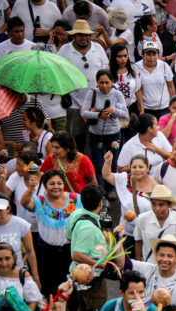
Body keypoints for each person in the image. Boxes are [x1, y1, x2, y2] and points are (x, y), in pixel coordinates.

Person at [21, 169, 81, 297]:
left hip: (69, 251)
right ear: (44, 185)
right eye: (51, 183)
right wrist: (31, 187)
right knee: (49, 285)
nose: (56, 187)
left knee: (71, 283)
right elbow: (25, 203)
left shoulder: (76, 199)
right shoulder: (39, 201)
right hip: (46, 252)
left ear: (64, 184)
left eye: (59, 183)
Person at [58, 20, 109, 152]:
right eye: (80, 35)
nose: (84, 38)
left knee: (97, 139)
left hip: (97, 103)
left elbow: (107, 71)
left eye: (87, 35)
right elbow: (59, 74)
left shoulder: (98, 48)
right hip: (74, 104)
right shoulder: (64, 50)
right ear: (74, 36)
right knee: (76, 139)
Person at [66, 184, 116, 311]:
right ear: (100, 203)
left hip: (82, 277)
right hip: (90, 280)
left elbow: (69, 237)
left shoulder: (77, 214)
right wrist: (101, 264)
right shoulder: (89, 228)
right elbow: (76, 255)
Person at [80, 69, 128, 198]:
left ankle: (112, 187)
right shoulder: (92, 93)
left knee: (112, 162)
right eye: (101, 82)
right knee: (98, 163)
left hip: (113, 133)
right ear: (97, 82)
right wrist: (99, 115)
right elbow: (83, 112)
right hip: (95, 133)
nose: (104, 86)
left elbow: (125, 113)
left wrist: (114, 111)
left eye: (107, 82)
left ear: (112, 82)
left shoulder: (117, 94)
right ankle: (100, 190)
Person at [103, 152, 156, 253]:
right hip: (126, 231)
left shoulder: (155, 185)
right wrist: (108, 162)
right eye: (134, 167)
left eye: (141, 167)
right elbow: (107, 175)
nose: (137, 170)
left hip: (146, 233)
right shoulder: (124, 179)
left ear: (147, 168)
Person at [0, 242, 41, 311]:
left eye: (7, 258)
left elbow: (33, 300)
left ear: (14, 259)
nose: (4, 263)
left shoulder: (23, 276)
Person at [0, 192, 39, 286]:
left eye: (0, 210)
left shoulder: (21, 224)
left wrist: (35, 277)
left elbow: (30, 251)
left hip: (16, 274)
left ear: (8, 209)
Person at [133, 184, 176, 262]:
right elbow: (138, 242)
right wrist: (139, 262)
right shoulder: (142, 219)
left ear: (169, 205)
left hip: (173, 268)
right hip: (149, 267)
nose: (157, 208)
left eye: (161, 205)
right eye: (154, 204)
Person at [109, 42, 144, 134]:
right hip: (115, 110)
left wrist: (142, 110)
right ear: (114, 57)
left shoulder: (133, 68)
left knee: (131, 138)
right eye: (119, 56)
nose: (123, 59)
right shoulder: (108, 70)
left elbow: (138, 90)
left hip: (131, 108)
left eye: (125, 56)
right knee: (117, 141)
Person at [136, 41, 175, 118]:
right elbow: (137, 90)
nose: (152, 57)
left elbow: (170, 86)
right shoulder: (136, 67)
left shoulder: (164, 66)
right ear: (142, 55)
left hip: (164, 107)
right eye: (148, 54)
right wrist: (141, 109)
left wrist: (174, 105)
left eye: (154, 54)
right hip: (146, 108)